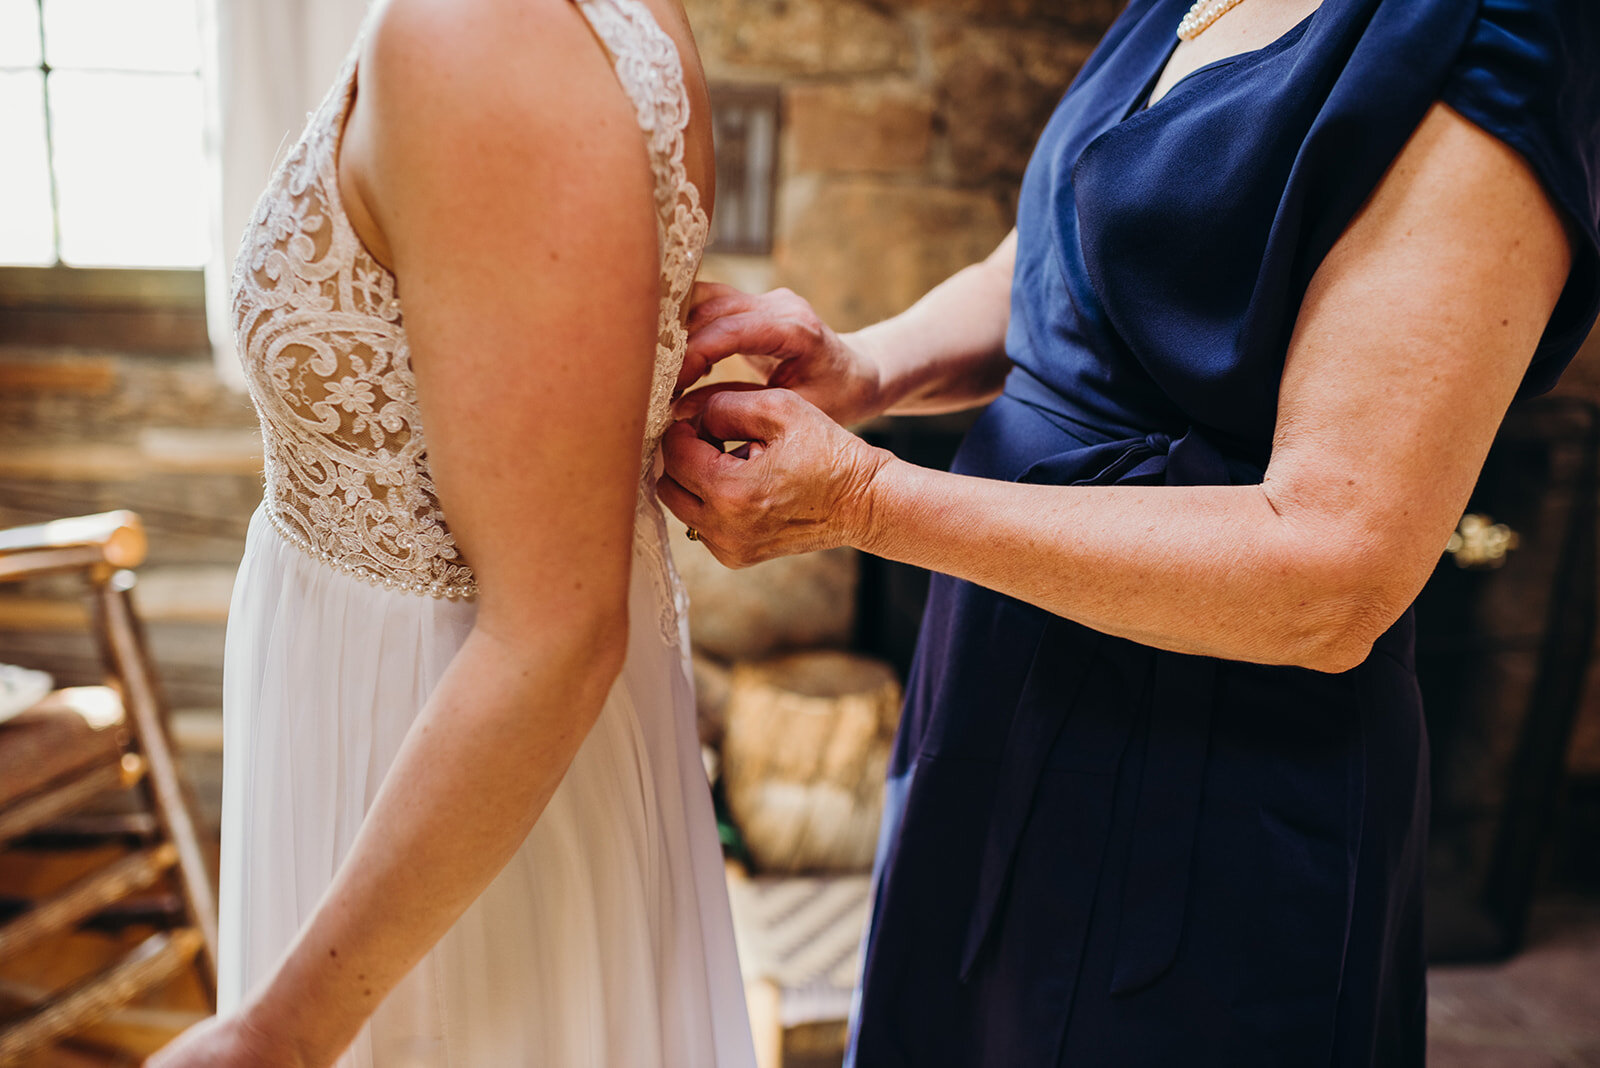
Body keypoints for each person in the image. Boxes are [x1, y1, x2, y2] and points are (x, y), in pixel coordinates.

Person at [661, 0, 1600, 1063]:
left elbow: (1334, 573)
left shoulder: (1488, 33)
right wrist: (870, 367)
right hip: (1001, 682)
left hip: (1192, 773)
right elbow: (1069, 253)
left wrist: (868, 503)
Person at [150, 0, 755, 1064]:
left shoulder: (489, 38)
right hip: (411, 752)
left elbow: (553, 633)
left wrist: (277, 1037)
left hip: (440, 782)